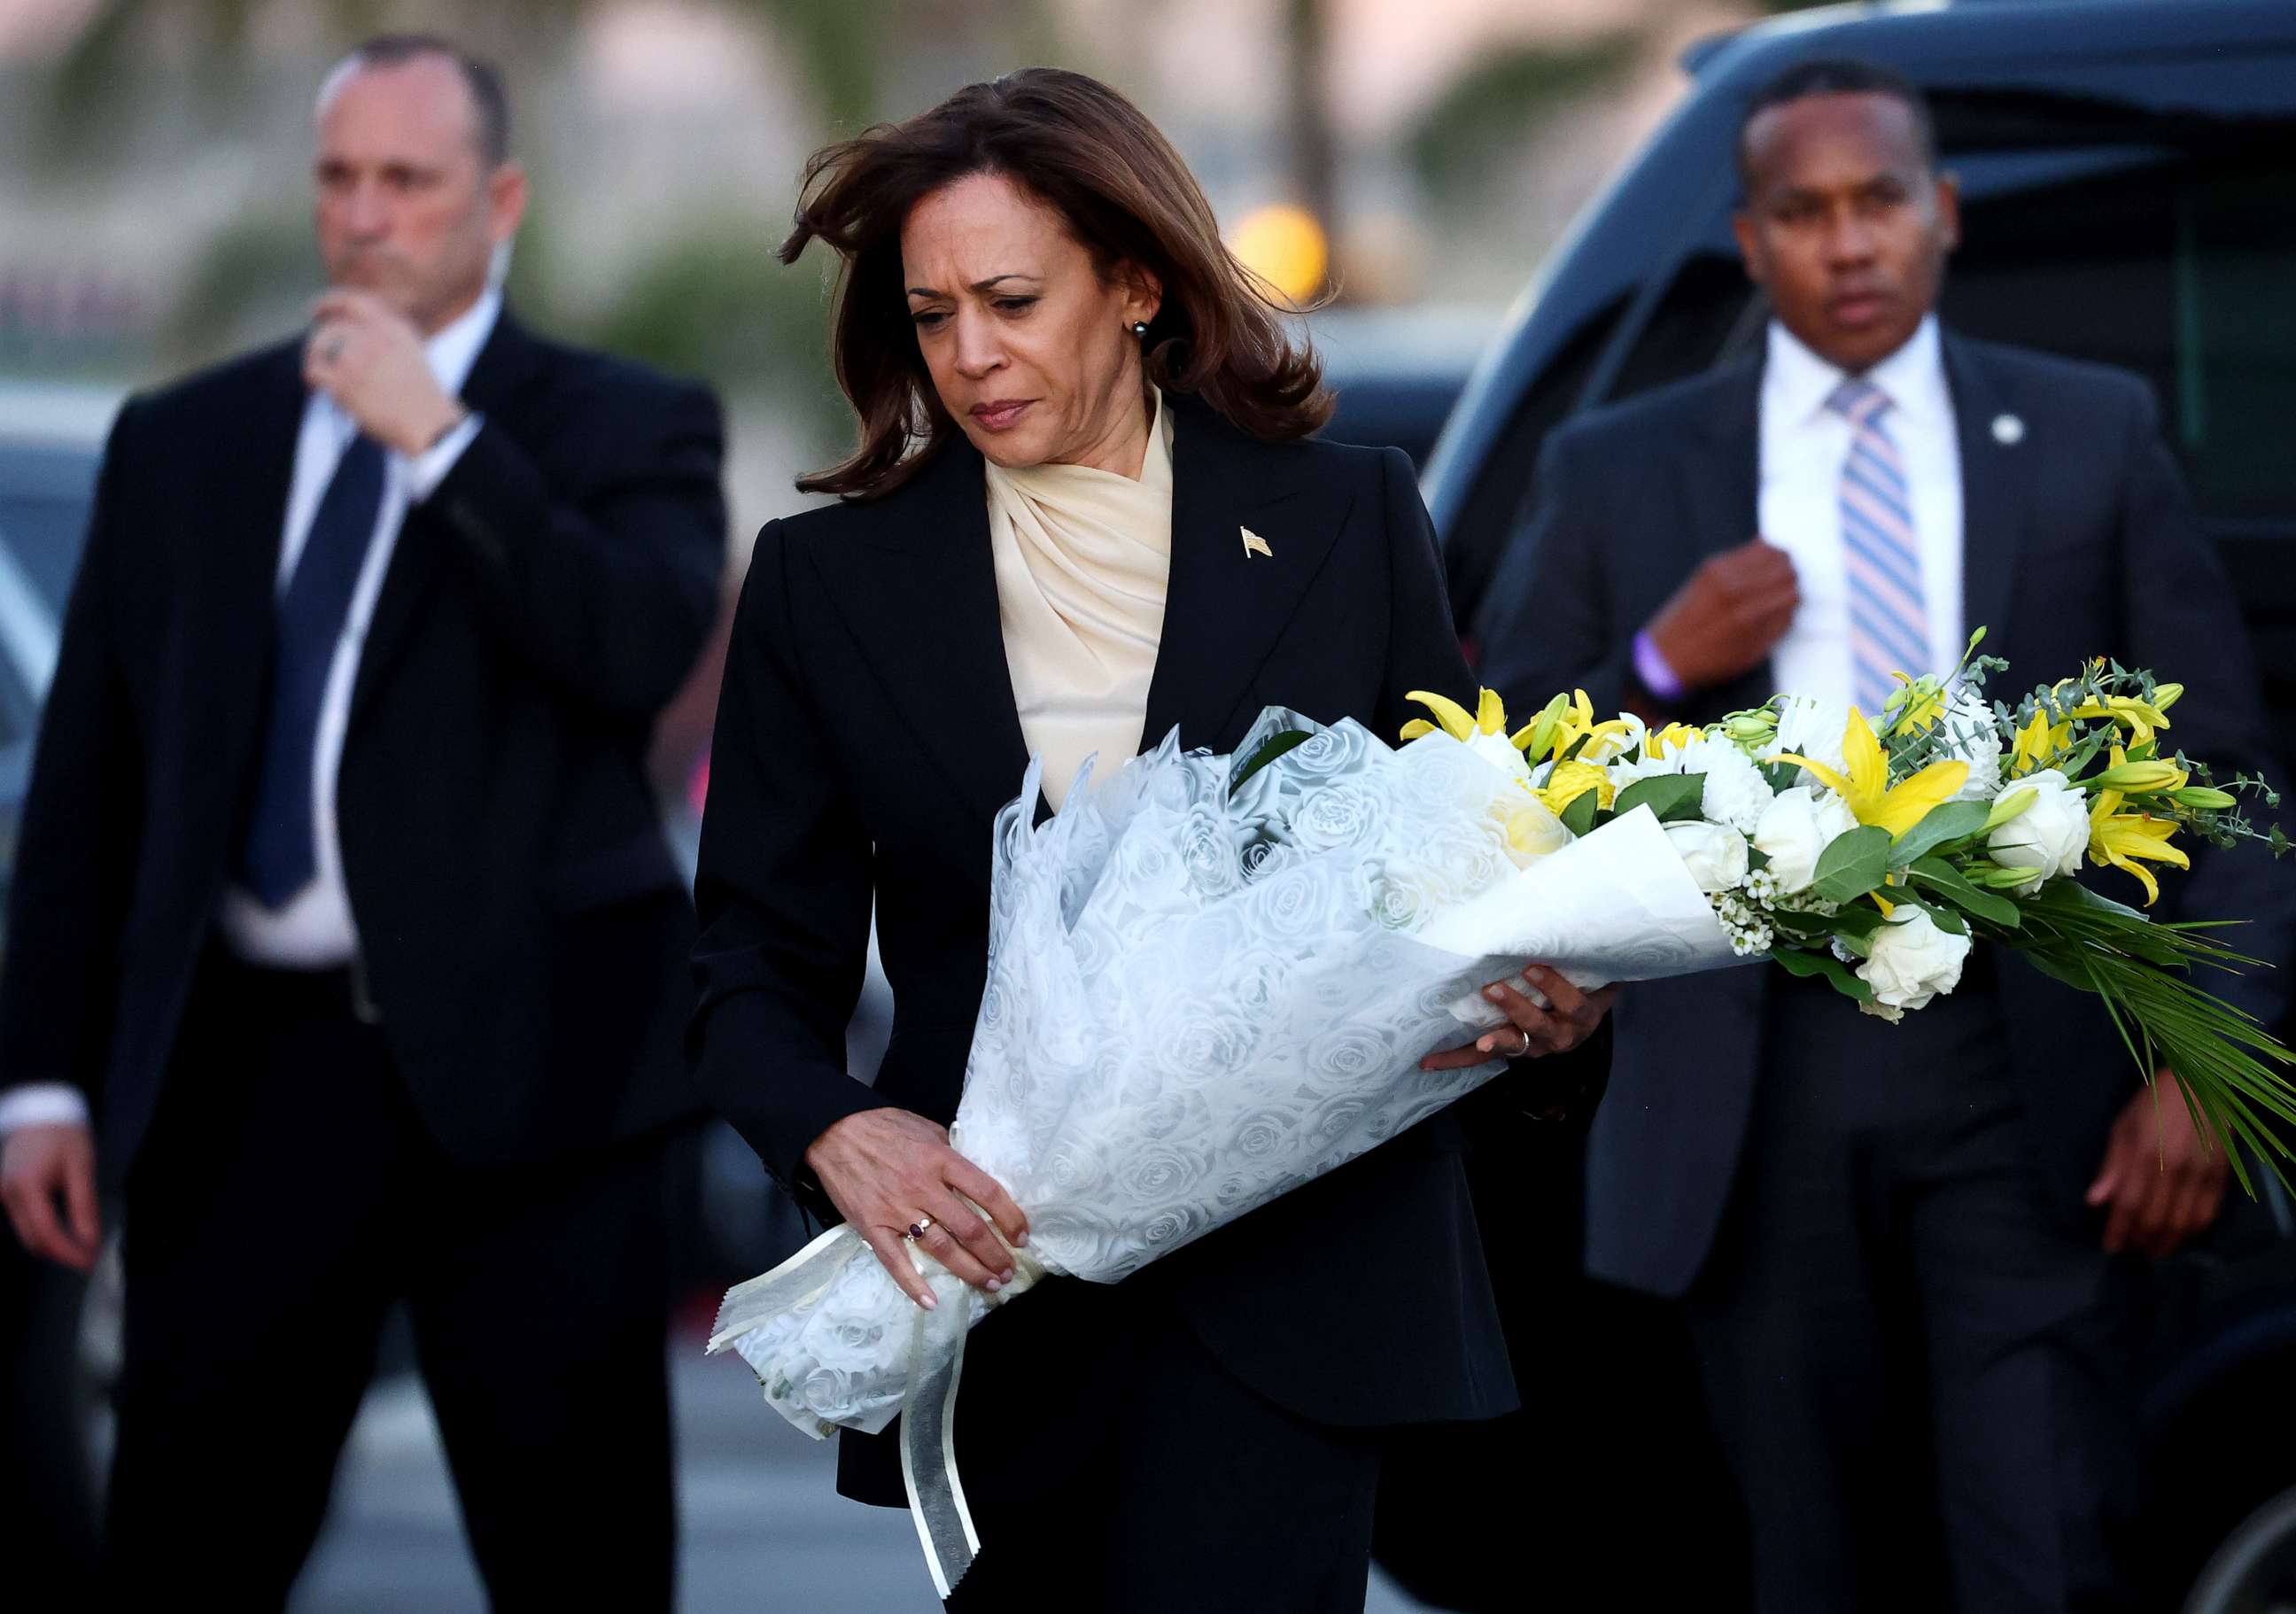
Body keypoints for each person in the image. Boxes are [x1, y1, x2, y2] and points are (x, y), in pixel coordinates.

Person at [689, 66, 1611, 1612]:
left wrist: (1559, 998)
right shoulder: (822, 583)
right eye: (930, 315)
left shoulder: (1348, 518)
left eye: (1009, 298)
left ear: (1132, 283)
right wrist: (832, 1125)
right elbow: (745, 965)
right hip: (1001, 1292)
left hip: (1300, 1285)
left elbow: (1478, 856)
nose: (969, 354)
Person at [1475, 58, 2294, 1614]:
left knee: (2040, 1543)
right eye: (1804, 212)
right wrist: (1658, 663)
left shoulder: (2086, 435)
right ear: (1748, 237)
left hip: (2026, 1075)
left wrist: (2206, 1068)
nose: (1849, 244)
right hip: (1743, 1078)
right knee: (1805, 1561)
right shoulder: (1624, 467)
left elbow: (2232, 776)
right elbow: (1502, 783)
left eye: (1880, 202)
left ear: (1945, 212)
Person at [0, 35, 724, 1608]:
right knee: (186, 1546)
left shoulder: (623, 424)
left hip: (533, 1102)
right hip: (249, 1081)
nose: (367, 214)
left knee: (580, 1564)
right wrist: (46, 1077)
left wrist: (440, 443)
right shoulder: (187, 442)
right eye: (340, 177)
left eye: (409, 179)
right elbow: (90, 783)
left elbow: (634, 649)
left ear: (500, 199)